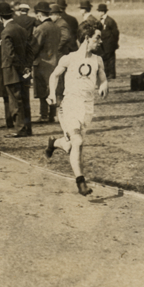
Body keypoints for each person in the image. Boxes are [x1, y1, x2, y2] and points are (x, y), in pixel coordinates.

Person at [44, 20, 109, 196]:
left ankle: (54, 143)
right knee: (78, 142)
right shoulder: (69, 58)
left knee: (72, 145)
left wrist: (104, 86)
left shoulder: (98, 60)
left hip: (87, 107)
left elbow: (103, 79)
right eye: (97, 38)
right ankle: (81, 182)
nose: (100, 41)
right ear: (87, 38)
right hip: (70, 105)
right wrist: (51, 94)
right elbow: (54, 76)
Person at [0, 2, 33, 137]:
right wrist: (26, 67)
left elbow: (10, 55)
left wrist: (19, 68)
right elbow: (30, 50)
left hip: (12, 71)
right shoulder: (21, 29)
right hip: (23, 70)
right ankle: (27, 128)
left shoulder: (6, 31)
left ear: (0, 18)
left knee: (15, 101)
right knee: (24, 100)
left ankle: (19, 129)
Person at [30, 1, 61, 123]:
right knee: (52, 88)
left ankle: (43, 115)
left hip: (42, 63)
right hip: (55, 61)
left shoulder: (41, 28)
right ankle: (52, 114)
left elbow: (34, 48)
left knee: (42, 90)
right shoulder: (56, 27)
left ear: (38, 14)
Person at [97, 2, 120, 81]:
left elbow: (115, 33)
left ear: (103, 12)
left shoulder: (110, 21)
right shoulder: (100, 20)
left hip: (110, 43)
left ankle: (112, 74)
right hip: (104, 43)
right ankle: (107, 73)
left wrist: (114, 42)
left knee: (111, 59)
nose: (99, 13)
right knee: (105, 58)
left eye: (100, 11)